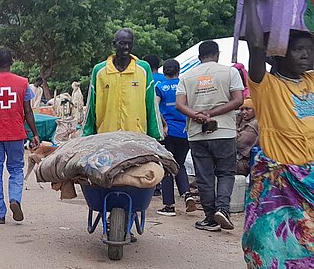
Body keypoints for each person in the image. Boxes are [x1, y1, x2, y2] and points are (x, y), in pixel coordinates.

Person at [240, 0, 314, 269]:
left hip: (310, 177)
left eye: (310, 50)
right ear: (281, 52)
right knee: (262, 240)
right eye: (299, 49)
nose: (306, 56)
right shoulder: (265, 85)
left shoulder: (312, 82)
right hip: (276, 176)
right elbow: (255, 46)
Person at [176, 40, 245, 232]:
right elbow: (238, 100)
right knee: (225, 173)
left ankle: (210, 218)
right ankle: (222, 209)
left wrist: (197, 115)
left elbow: (180, 105)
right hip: (224, 131)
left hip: (197, 134)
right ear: (217, 54)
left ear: (199, 57)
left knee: (204, 176)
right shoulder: (230, 72)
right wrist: (212, 114)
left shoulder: (187, 76)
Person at [0, 47, 41, 224]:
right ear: (12, 62)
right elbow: (28, 111)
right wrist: (35, 134)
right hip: (16, 134)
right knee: (16, 170)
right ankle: (15, 199)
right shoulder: (23, 83)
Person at [83, 28, 162, 140]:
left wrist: (155, 134)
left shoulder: (143, 69)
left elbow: (151, 104)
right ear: (114, 44)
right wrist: (87, 134)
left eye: (129, 44)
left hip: (136, 135)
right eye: (122, 43)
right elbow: (91, 105)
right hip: (106, 135)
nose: (126, 47)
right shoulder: (100, 71)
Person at [155, 59, 198, 216]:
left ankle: (169, 206)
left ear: (164, 72)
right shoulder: (185, 84)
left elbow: (155, 107)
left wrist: (164, 125)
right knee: (179, 164)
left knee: (167, 166)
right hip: (185, 132)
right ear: (179, 71)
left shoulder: (160, 87)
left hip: (168, 133)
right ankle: (187, 194)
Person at [235, 98, 259, 175]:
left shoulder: (254, 124)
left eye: (248, 109)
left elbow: (239, 143)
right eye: (242, 109)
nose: (244, 112)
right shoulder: (243, 121)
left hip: (244, 163)